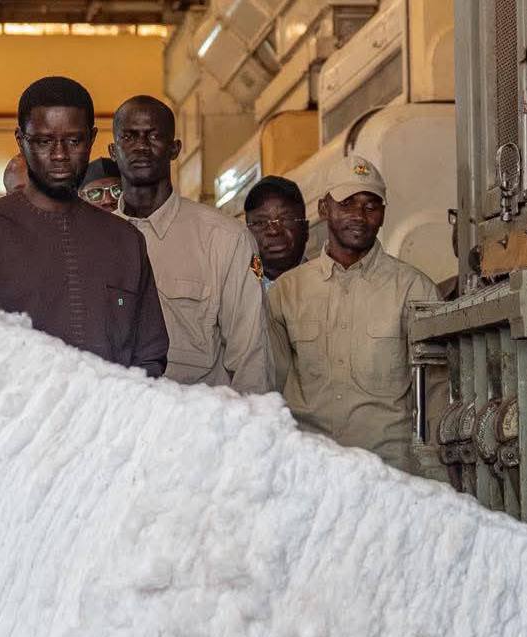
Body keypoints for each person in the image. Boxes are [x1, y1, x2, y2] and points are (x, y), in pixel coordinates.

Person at [0, 77, 168, 376]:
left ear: (91, 139)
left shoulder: (126, 241)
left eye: (73, 141)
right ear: (20, 139)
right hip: (12, 422)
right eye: (43, 141)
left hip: (108, 420)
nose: (59, 155)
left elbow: (150, 357)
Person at [266, 155, 443, 474]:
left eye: (371, 205)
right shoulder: (286, 293)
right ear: (323, 209)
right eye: (347, 203)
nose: (359, 216)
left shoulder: (415, 290)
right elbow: (269, 388)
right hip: (311, 471)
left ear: (383, 213)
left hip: (389, 476)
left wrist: (438, 478)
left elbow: (437, 395)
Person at [110, 95, 270, 392]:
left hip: (199, 430)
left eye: (154, 135)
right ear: (113, 151)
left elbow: (251, 359)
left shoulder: (224, 239)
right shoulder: (99, 241)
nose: (142, 146)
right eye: (129, 136)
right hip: (122, 430)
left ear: (174, 149)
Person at [243, 175, 309, 288]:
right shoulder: (234, 289)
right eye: (260, 222)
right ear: (247, 233)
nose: (273, 231)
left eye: (284, 219)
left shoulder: (328, 286)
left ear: (305, 229)